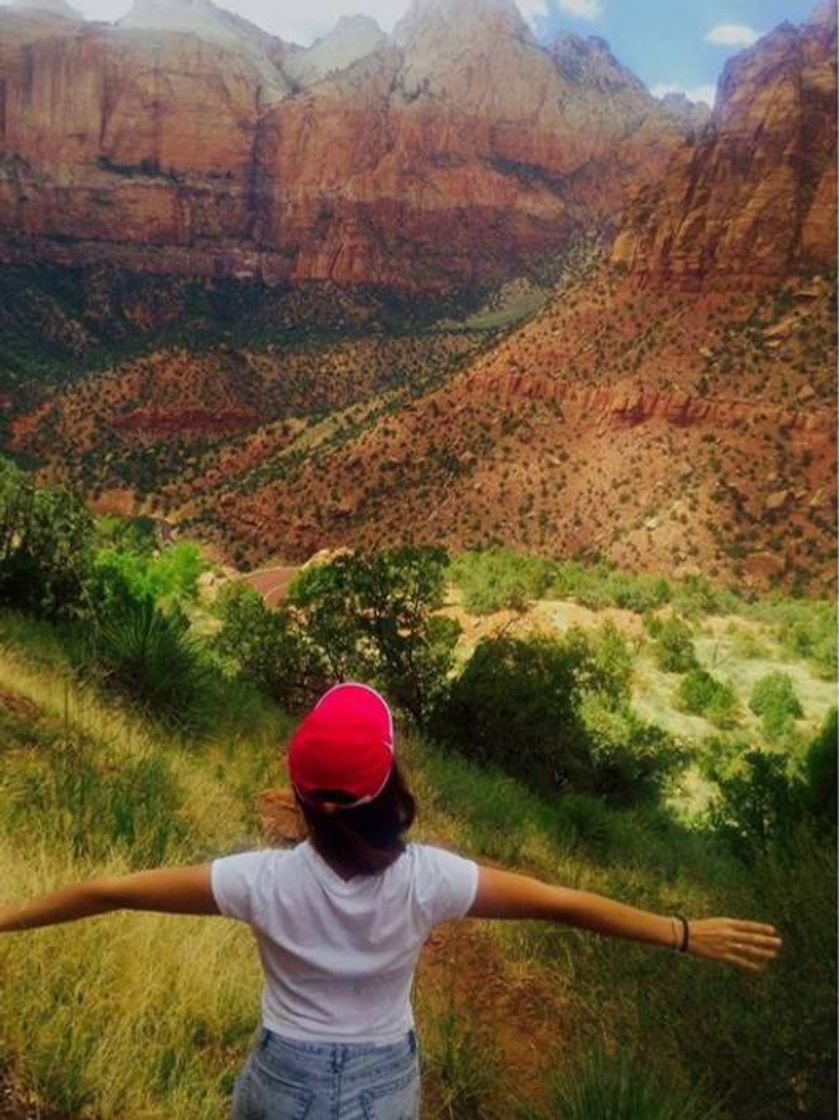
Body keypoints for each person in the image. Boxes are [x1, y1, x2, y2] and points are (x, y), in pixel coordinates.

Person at [0, 682, 782, 1120]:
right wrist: (681, 931)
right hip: (382, 1084)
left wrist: (7, 917)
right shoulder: (431, 881)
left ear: (304, 801)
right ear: (391, 788)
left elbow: (110, 892)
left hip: (281, 1079)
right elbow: (562, 902)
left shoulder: (256, 882)